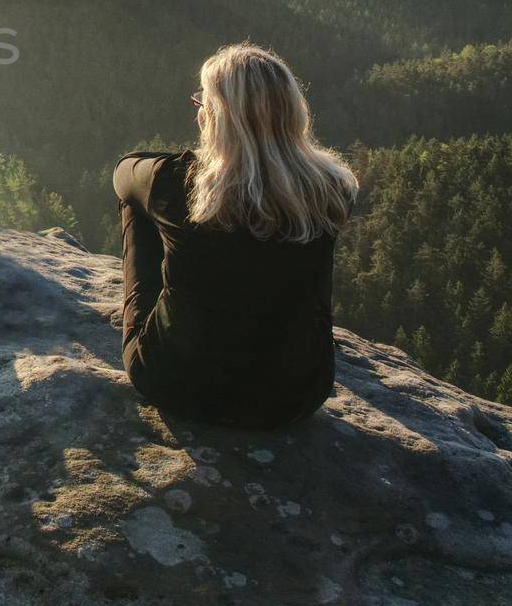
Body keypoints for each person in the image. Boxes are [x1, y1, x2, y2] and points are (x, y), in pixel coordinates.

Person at [113, 43, 357, 428]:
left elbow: (124, 173)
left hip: (178, 385)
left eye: (203, 104)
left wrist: (179, 167)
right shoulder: (331, 187)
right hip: (295, 395)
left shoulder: (177, 184)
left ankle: (163, 320)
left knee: (137, 206)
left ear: (216, 117)